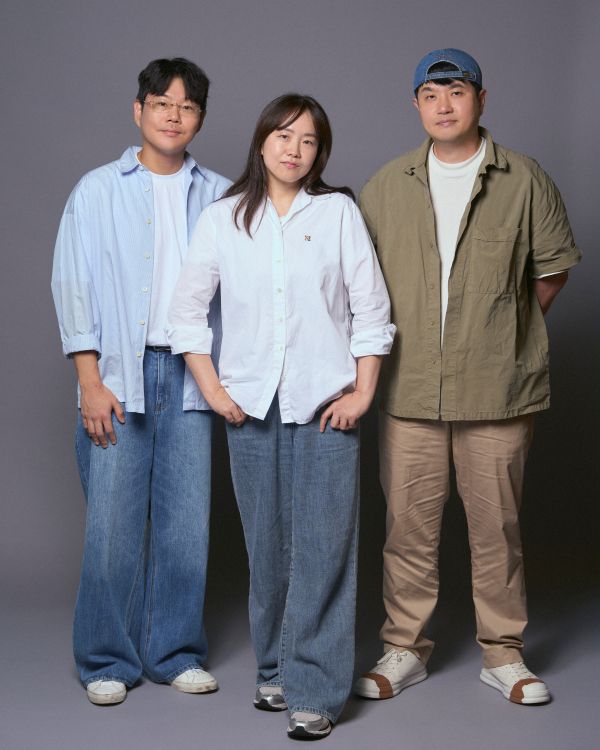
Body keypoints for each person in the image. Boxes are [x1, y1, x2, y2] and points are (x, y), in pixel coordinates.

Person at [354, 49, 581, 706]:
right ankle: (404, 648)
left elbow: (551, 271)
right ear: (416, 104)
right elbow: (360, 284)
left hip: (497, 391)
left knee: (497, 530)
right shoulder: (386, 185)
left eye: (456, 91)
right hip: (409, 390)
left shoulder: (525, 179)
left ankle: (503, 653)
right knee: (407, 530)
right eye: (430, 94)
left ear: (481, 99)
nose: (444, 105)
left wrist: (500, 335)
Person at [168, 93, 395, 739]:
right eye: (284, 136)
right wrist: (214, 390)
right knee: (266, 549)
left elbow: (371, 309)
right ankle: (274, 669)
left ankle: (316, 691)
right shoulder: (222, 218)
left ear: (321, 152)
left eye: (309, 140)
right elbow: (186, 313)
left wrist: (362, 394)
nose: (295, 150)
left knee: (324, 548)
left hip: (326, 407)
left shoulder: (338, 212)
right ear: (261, 140)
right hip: (250, 408)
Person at [51, 57, 231, 705]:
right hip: (116, 373)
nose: (173, 116)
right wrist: (89, 379)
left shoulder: (221, 195)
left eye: (187, 107)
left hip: (192, 376)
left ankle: (175, 652)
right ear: (139, 110)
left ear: (200, 119)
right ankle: (105, 658)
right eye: (161, 103)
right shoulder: (97, 190)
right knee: (112, 527)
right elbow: (72, 284)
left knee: (186, 526)